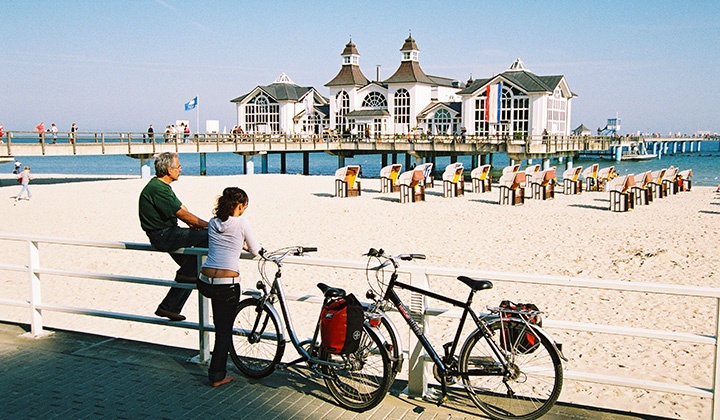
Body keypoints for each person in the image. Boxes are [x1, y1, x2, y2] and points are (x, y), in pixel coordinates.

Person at [197, 187, 261, 387]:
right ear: (240, 206)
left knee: (219, 325)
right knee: (223, 331)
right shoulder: (242, 223)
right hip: (227, 285)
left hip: (205, 280)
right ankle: (217, 375)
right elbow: (255, 250)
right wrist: (245, 247)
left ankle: (216, 369)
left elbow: (222, 241)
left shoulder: (213, 222)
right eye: (244, 207)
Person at [138, 152, 209, 321]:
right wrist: (211, 226)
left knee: (192, 271)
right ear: (169, 170)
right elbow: (183, 215)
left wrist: (195, 224)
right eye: (178, 167)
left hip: (167, 233)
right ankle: (185, 275)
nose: (180, 170)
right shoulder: (157, 189)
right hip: (164, 235)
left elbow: (182, 209)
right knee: (210, 236)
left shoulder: (161, 187)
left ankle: (168, 307)